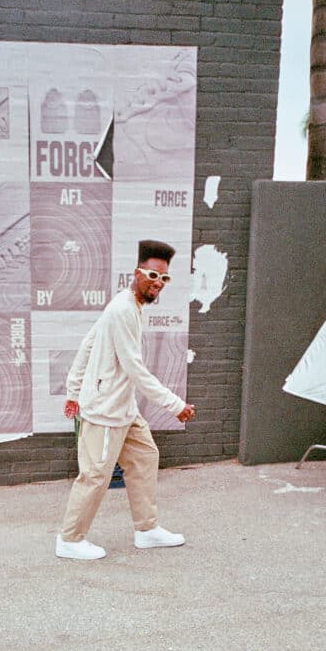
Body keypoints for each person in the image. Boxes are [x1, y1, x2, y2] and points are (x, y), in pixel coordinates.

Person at [56, 239, 196, 561]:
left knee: (145, 457)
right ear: (137, 273)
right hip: (106, 411)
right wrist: (176, 406)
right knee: (95, 475)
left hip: (123, 408)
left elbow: (88, 344)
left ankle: (147, 530)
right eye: (152, 275)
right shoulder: (122, 310)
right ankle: (70, 539)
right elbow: (136, 369)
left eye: (164, 278)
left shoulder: (131, 305)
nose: (158, 283)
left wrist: (73, 391)